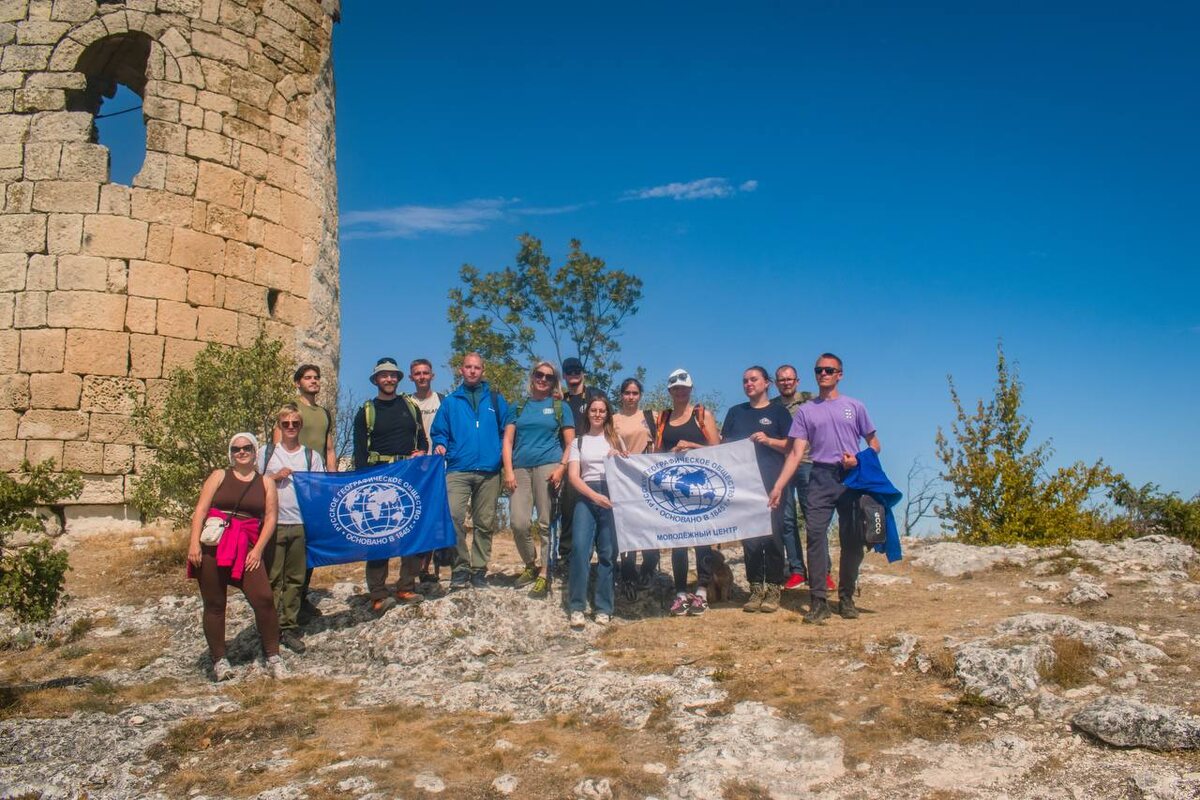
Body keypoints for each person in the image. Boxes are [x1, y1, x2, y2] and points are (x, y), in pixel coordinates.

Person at [769, 353, 881, 624]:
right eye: (819, 370)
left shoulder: (854, 406)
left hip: (850, 477)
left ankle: (846, 597)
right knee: (815, 536)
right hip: (819, 476)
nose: (823, 374)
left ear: (839, 374)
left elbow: (875, 444)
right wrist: (779, 486)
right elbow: (795, 453)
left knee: (852, 539)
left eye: (829, 370)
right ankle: (818, 602)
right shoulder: (806, 411)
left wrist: (859, 459)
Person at [187, 433, 284, 681]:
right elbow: (201, 509)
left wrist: (258, 549)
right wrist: (194, 543)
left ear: (254, 452)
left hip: (246, 546)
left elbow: (271, 517)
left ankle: (273, 656)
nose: (241, 452)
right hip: (214, 543)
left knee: (264, 599)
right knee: (215, 603)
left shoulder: (266, 483)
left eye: (247, 448)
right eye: (236, 449)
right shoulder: (219, 476)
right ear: (231, 454)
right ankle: (219, 660)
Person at [352, 357, 429, 612]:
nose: (389, 379)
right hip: (378, 478)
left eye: (393, 375)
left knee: (411, 530)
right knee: (379, 534)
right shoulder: (365, 412)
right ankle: (378, 593)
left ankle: (406, 586)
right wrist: (363, 483)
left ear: (398, 379)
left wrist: (422, 451)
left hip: (408, 475)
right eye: (384, 375)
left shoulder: (410, 407)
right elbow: (359, 451)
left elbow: (423, 440)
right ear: (376, 379)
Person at [431, 352, 510, 590]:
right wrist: (440, 444)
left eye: (477, 367)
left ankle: (478, 569)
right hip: (458, 469)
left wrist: (500, 456)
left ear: (482, 370)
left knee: (484, 523)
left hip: (489, 470)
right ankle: (460, 568)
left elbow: (507, 431)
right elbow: (439, 431)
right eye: (468, 367)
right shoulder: (451, 401)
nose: (472, 371)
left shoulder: (496, 399)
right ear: (461, 370)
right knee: (453, 517)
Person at [721, 367, 793, 613]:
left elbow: (792, 448)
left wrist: (768, 440)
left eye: (753, 379)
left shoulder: (779, 412)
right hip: (743, 486)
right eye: (745, 381)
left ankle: (773, 588)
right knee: (750, 539)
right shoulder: (735, 412)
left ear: (767, 383)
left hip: (773, 482)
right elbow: (724, 448)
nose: (748, 384)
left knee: (773, 536)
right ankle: (755, 589)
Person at [502, 361, 576, 596]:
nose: (543, 379)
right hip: (520, 469)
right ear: (532, 376)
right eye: (539, 374)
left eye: (549, 376)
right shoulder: (518, 406)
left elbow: (571, 443)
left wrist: (562, 468)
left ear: (554, 381)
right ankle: (530, 564)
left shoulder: (560, 407)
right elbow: (508, 441)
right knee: (518, 522)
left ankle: (544, 572)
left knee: (545, 522)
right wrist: (508, 471)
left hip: (549, 466)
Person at [655, 368, 721, 616]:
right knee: (678, 543)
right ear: (670, 391)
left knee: (702, 540)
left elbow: (718, 449)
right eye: (675, 388)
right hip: (674, 489)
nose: (680, 392)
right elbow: (657, 454)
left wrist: (691, 446)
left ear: (691, 389)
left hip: (701, 488)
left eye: (684, 388)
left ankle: (702, 591)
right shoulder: (663, 419)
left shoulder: (702, 414)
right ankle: (680, 593)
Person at [259, 404, 325, 652]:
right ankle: (269, 627)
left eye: (295, 424)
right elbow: (253, 483)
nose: (290, 427)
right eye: (285, 423)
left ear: (300, 426)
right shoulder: (266, 453)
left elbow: (319, 487)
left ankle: (288, 627)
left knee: (296, 579)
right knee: (273, 578)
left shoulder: (311, 456)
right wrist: (274, 478)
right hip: (273, 523)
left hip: (300, 523)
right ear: (279, 426)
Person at [566, 395, 627, 628]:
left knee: (608, 553)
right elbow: (574, 476)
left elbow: (628, 469)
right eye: (594, 410)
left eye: (602, 410)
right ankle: (577, 606)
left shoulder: (616, 439)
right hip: (587, 494)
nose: (598, 414)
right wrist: (594, 496)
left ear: (608, 414)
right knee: (580, 549)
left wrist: (619, 457)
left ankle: (603, 607)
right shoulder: (578, 442)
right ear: (588, 413)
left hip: (612, 495)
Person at [284, 364, 336, 622]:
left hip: (317, 484)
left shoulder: (324, 413)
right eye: (307, 378)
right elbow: (279, 443)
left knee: (311, 541)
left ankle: (302, 598)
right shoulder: (291, 409)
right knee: (292, 541)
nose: (313, 381)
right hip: (293, 483)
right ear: (298, 383)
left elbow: (329, 449)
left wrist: (332, 481)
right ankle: (286, 601)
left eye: (316, 377)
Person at [773, 364, 831, 592]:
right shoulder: (772, 407)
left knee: (814, 519)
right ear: (776, 383)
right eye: (782, 380)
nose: (786, 383)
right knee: (787, 521)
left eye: (789, 379)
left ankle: (823, 572)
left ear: (797, 381)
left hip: (809, 463)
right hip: (782, 467)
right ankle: (797, 570)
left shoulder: (812, 401)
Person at [612, 377, 660, 594]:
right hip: (623, 479)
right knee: (627, 528)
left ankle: (649, 569)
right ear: (621, 395)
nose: (631, 397)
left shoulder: (651, 416)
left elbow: (661, 442)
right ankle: (628, 574)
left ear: (640, 395)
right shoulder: (613, 420)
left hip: (647, 478)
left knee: (650, 525)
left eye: (635, 393)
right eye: (627, 393)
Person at [558, 357, 604, 566]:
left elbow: (607, 422)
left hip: (594, 459)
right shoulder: (561, 400)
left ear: (583, 373)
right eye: (569, 372)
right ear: (564, 375)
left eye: (577, 371)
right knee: (568, 508)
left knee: (598, 506)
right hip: (570, 459)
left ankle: (601, 555)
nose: (573, 375)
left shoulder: (595, 395)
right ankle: (566, 556)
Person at [409, 358, 446, 585]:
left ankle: (426, 568)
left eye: (425, 373)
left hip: (438, 467)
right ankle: (412, 569)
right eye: (417, 373)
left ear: (432, 375)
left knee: (434, 519)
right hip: (414, 468)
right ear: (411, 377)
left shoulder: (443, 400)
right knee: (415, 519)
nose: (422, 377)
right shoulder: (406, 403)